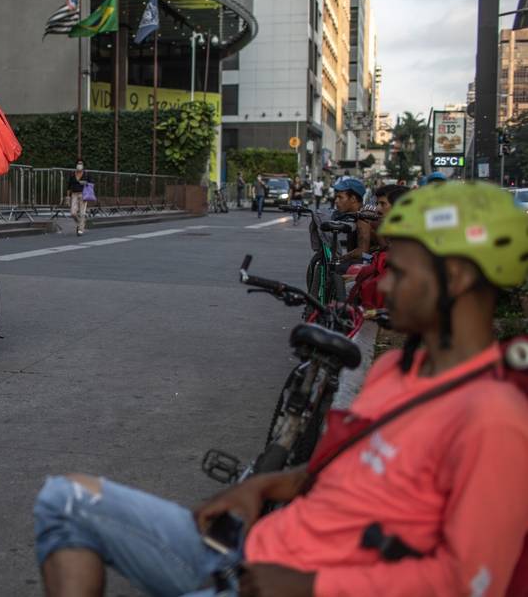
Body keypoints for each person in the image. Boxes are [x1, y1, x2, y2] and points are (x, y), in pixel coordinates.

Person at [32, 181, 528, 597]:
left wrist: (308, 585)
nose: (383, 286)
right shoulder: (396, 370)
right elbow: (340, 477)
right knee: (64, 500)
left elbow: (469, 582)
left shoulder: (495, 419)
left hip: (292, 583)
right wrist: (261, 486)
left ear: (457, 278)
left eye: (398, 271)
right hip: (256, 554)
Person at [332, 177, 371, 270]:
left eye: (340, 197)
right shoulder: (356, 215)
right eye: (336, 197)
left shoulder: (362, 218)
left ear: (353, 199)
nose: (336, 201)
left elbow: (362, 251)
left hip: (368, 261)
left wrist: (342, 258)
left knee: (335, 269)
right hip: (366, 259)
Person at [67, 161, 91, 236]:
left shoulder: (86, 174)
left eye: (81, 164)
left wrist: (85, 183)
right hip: (74, 194)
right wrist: (67, 196)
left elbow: (91, 183)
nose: (79, 165)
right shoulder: (72, 174)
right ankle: (79, 222)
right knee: (73, 213)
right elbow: (68, 186)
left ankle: (81, 228)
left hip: (83, 194)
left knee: (82, 212)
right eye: (78, 164)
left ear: (83, 166)